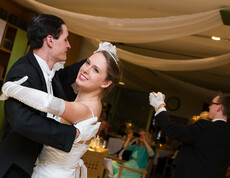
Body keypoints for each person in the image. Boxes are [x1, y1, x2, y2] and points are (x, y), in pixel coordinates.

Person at [0, 41, 122, 177]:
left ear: (106, 83)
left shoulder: (86, 109)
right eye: (87, 62)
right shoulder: (83, 100)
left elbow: (48, 103)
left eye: (96, 70)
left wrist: (11, 89)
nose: (86, 69)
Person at [0, 14, 99, 178]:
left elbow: (67, 74)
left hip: (36, 166)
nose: (69, 46)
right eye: (66, 40)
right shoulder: (23, 70)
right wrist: (71, 134)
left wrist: (95, 58)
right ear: (50, 40)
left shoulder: (51, 75)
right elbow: (20, 121)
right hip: (15, 167)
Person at [149, 92, 230, 178]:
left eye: (212, 103)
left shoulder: (205, 127)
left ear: (219, 107)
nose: (209, 106)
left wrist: (160, 106)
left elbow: (173, 131)